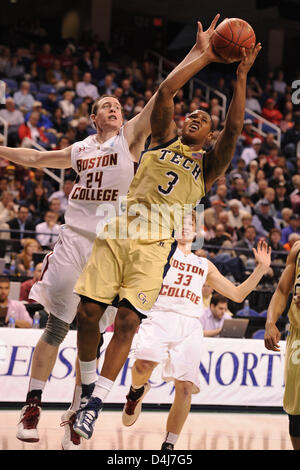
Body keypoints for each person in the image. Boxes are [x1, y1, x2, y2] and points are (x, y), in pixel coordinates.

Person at [0, 19, 220, 449]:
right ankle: (33, 402)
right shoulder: (80, 149)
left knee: (96, 334)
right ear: (93, 115)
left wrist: (200, 54)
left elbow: (164, 92)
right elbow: (37, 156)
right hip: (76, 238)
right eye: (106, 104)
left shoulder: (131, 138)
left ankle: (80, 408)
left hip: (117, 244)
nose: (115, 107)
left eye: (119, 103)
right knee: (57, 326)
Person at [72, 23, 262, 440]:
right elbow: (165, 92)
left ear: (208, 137)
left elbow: (233, 129)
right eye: (191, 114)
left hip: (155, 247)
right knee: (87, 316)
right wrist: (205, 57)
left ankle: (97, 401)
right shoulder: (159, 141)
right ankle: (88, 389)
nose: (194, 117)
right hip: (118, 232)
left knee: (125, 323)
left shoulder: (208, 166)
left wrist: (241, 76)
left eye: (203, 119)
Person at [121, 216, 270, 450]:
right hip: (158, 315)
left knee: (186, 387)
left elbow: (238, 295)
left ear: (197, 232)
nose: (184, 227)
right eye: (179, 223)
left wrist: (261, 268)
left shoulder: (204, 265)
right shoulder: (161, 251)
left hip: (189, 324)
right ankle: (136, 391)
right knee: (142, 366)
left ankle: (169, 445)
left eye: (189, 224)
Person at [264, 240, 300, 450]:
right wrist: (270, 322)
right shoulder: (297, 248)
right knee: (296, 413)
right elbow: (281, 291)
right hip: (297, 335)